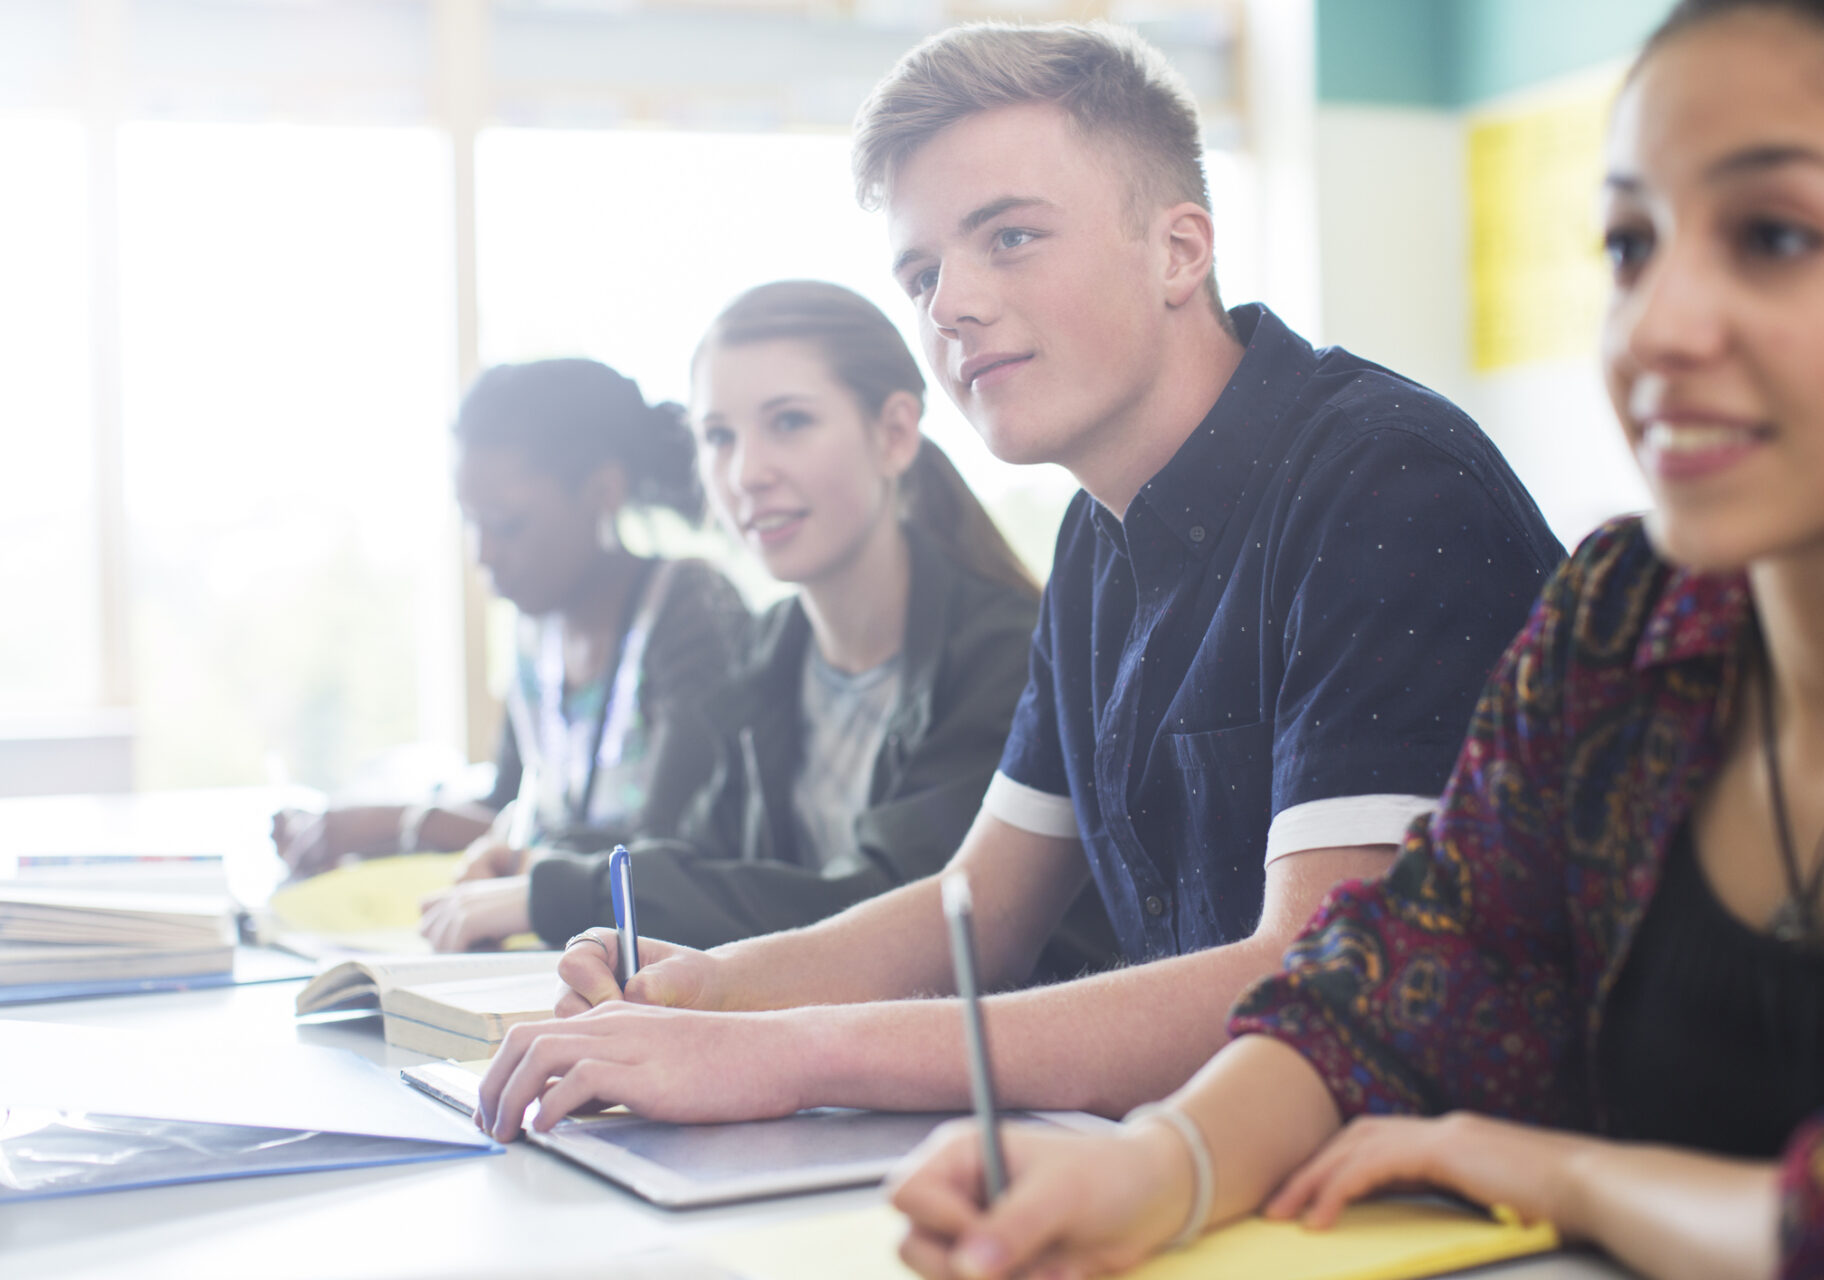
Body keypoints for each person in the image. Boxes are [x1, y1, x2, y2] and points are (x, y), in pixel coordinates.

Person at [885, 1, 1824, 1276]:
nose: (1655, 328)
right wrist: (1163, 1167)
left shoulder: (1382, 478)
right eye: (1631, 244)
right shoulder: (1626, 617)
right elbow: (1400, 961)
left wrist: (1574, 1176)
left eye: (1774, 235)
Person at [476, 21, 1561, 1137]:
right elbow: (980, 907)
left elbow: (1313, 975)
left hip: (1451, 1195)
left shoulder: (1384, 481)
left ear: (1181, 249)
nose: (947, 303)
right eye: (922, 270)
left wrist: (784, 1049)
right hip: (1207, 1170)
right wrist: (716, 986)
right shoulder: (1100, 532)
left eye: (1009, 238)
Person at [512, 282, 1108, 967]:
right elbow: (710, 861)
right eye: (718, 437)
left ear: (893, 434)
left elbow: (885, 914)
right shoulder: (769, 651)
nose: (746, 472)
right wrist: (542, 866)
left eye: (789, 422)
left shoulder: (1007, 655)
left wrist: (553, 892)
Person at [275, 358, 749, 952]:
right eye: (472, 524)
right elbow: (509, 808)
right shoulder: (535, 634)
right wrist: (358, 830)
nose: (485, 554)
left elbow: (664, 849)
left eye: (508, 524)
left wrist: (407, 822)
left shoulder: (690, 611)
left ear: (604, 490)